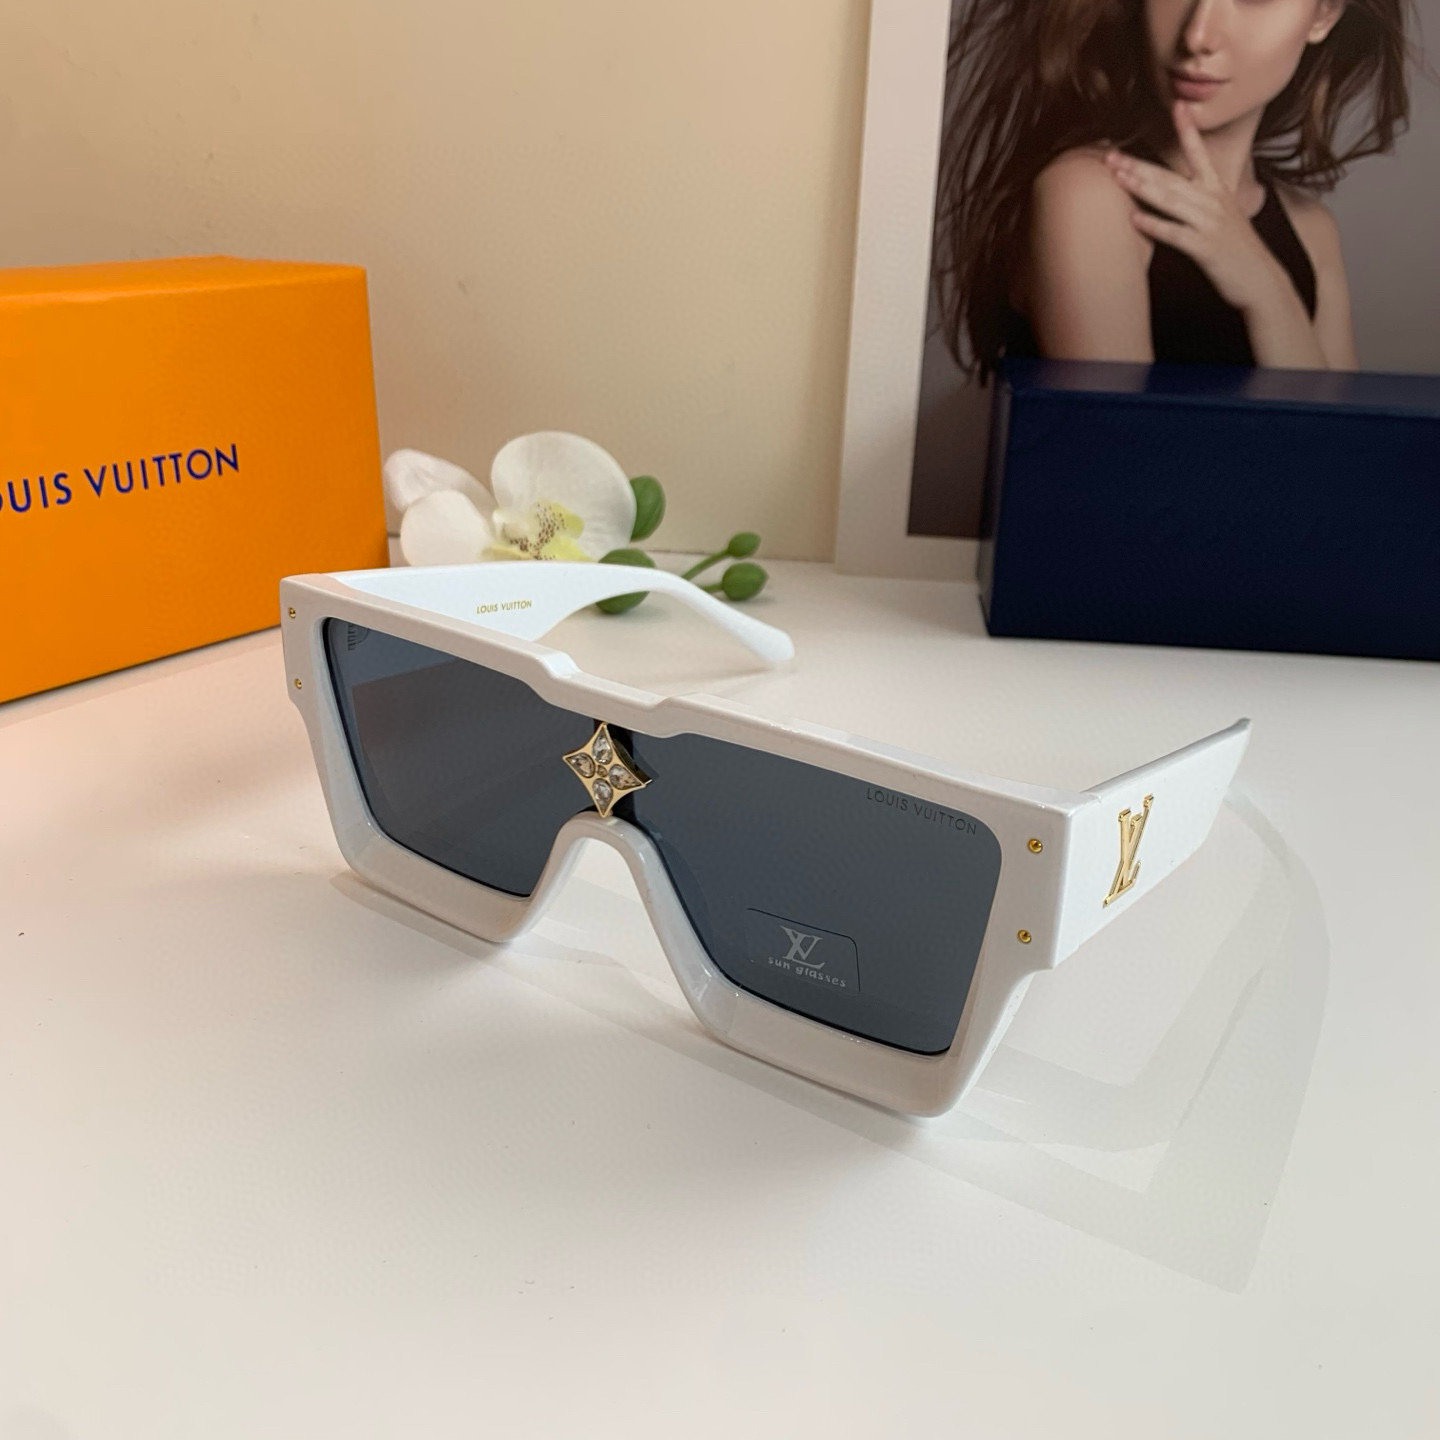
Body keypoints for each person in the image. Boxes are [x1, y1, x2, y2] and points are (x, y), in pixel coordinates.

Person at [933, 0, 1415, 374]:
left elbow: (1338, 455)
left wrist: (1269, 293)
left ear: (1323, 14)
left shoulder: (1312, 230)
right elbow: (1118, 451)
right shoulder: (1087, 196)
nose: (1197, 36)